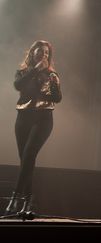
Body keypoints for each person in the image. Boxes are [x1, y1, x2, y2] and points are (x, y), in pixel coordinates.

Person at [4, 40, 62, 216]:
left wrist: (46, 89)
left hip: (43, 118)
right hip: (23, 117)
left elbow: (58, 97)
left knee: (29, 153)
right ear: (32, 53)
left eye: (46, 53)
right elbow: (18, 86)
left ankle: (16, 197)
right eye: (40, 52)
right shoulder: (23, 73)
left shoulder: (52, 75)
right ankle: (29, 203)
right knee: (25, 161)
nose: (43, 55)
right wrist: (35, 70)